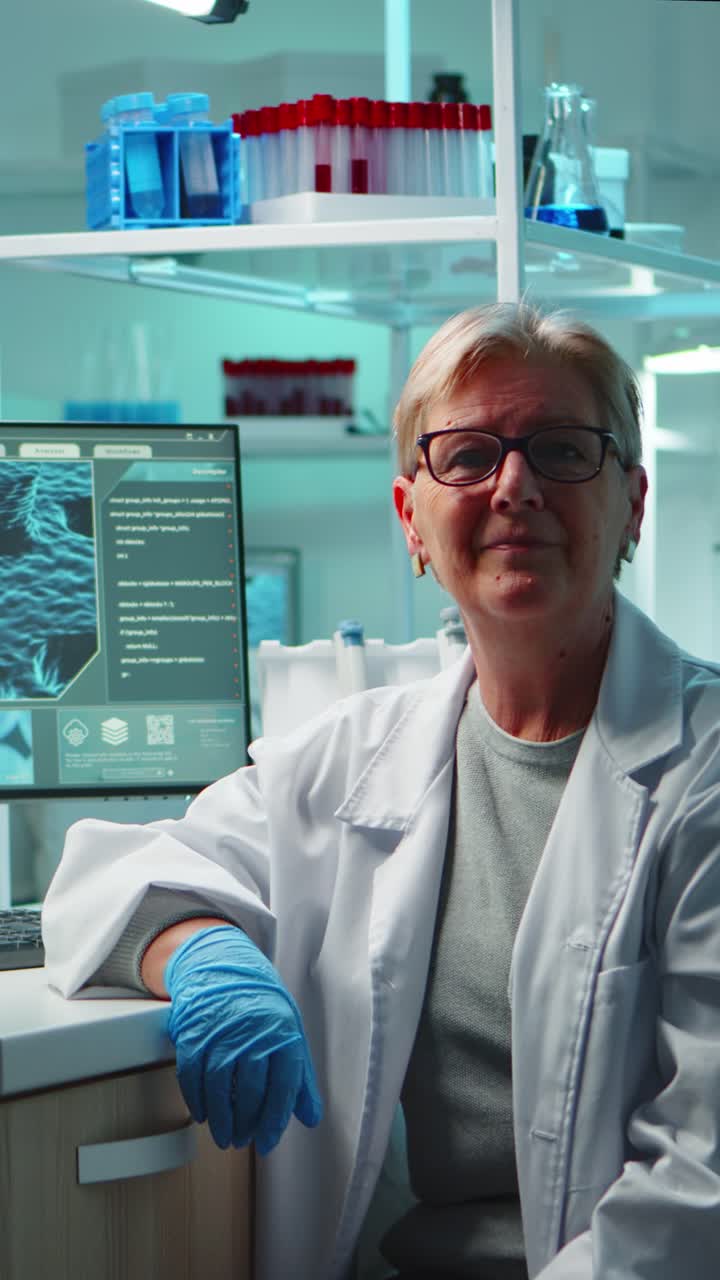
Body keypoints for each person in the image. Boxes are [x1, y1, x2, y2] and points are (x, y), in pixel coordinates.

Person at [42, 301, 720, 1280]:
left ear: (633, 504)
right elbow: (122, 871)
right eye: (468, 453)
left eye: (565, 450)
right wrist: (204, 956)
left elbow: (700, 1186)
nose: (516, 485)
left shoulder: (700, 766)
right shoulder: (360, 756)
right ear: (412, 517)